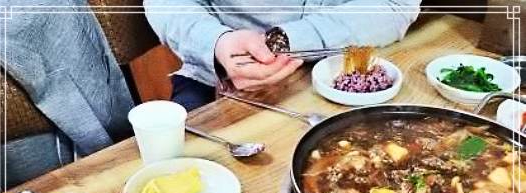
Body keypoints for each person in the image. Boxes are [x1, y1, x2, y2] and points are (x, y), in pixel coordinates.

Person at [144, 0, 422, 111]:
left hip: (353, 73)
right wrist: (217, 44)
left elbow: (395, 5)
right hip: (221, 76)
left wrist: (285, 41)